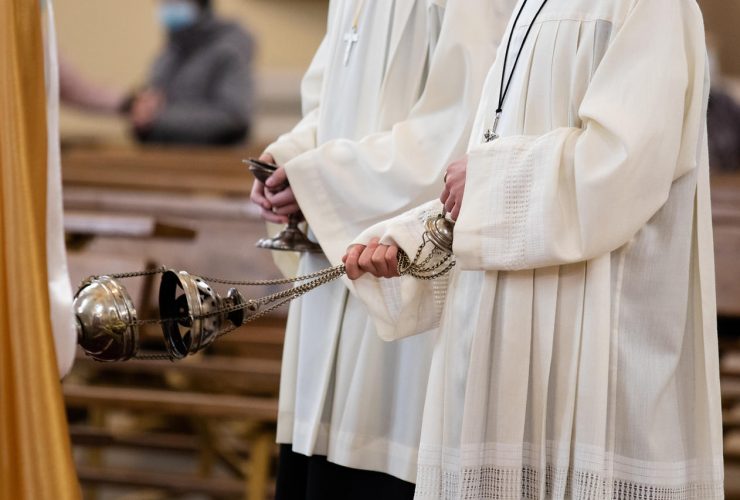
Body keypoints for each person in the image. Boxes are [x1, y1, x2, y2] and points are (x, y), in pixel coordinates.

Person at [344, 0, 724, 498]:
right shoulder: (530, 7)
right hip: (491, 347)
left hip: (590, 354)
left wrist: (484, 183)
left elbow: (624, 169)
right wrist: (415, 238)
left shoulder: (652, 7)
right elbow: (490, 158)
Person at [250, 0, 515, 498]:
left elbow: (455, 138)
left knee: (371, 457)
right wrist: (290, 159)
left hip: (399, 278)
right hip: (329, 278)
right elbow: (329, 108)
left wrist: (319, 177)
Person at [131, 0, 254, 145]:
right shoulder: (170, 51)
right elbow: (153, 98)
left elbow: (233, 118)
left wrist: (157, 119)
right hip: (165, 152)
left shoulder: (229, 48)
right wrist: (139, 109)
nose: (167, 7)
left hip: (213, 159)